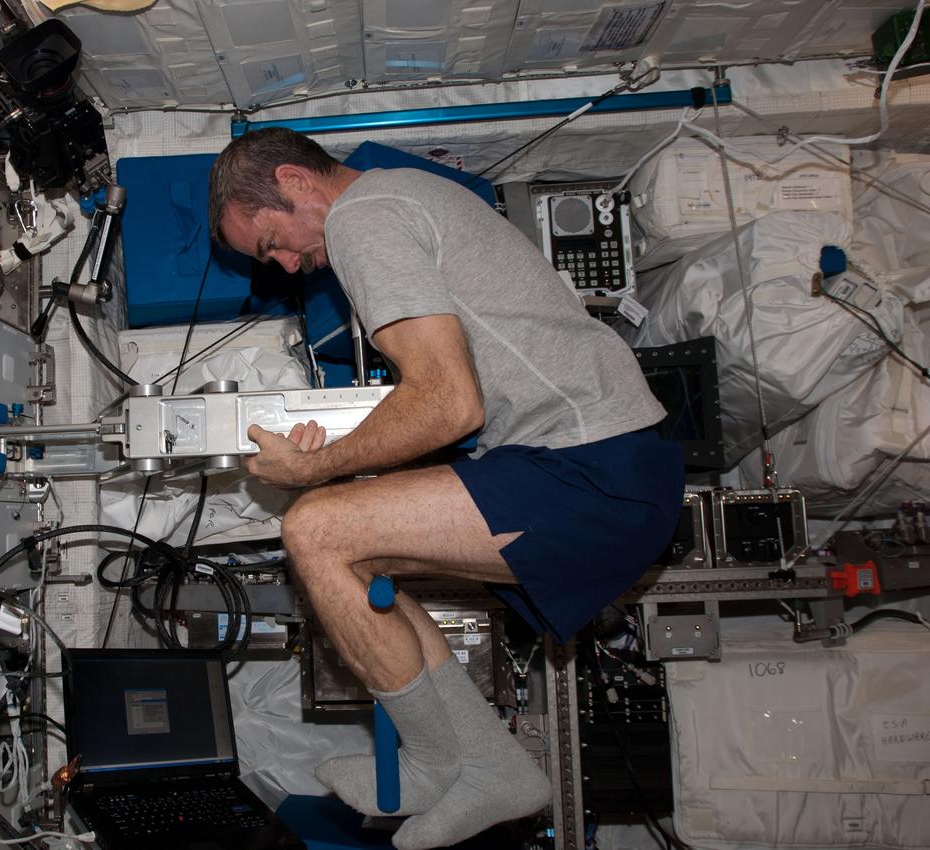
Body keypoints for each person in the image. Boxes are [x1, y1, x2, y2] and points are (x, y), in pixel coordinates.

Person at [208, 128, 683, 850]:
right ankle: (488, 767)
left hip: (592, 467)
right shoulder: (403, 199)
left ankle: (443, 761)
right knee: (353, 549)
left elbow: (448, 403)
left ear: (296, 182)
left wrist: (315, 470)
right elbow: (451, 398)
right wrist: (341, 462)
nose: (282, 264)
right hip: (595, 463)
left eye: (270, 239)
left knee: (315, 528)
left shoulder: (363, 217)